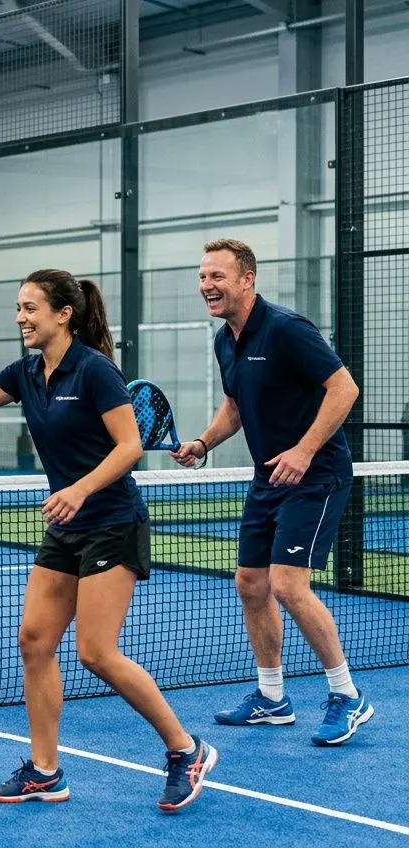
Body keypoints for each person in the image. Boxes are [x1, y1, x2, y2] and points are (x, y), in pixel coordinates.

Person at [0, 269, 216, 811]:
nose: (21, 317)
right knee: (34, 642)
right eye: (18, 307)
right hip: (66, 527)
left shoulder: (96, 371)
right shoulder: (28, 373)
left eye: (31, 308)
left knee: (96, 652)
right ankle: (44, 771)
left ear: (64, 314)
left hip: (111, 520)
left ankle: (186, 749)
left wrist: (79, 490)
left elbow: (129, 446)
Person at [171, 239, 371, 746]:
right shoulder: (225, 340)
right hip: (269, 476)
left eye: (217, 276)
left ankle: (347, 695)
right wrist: (203, 442)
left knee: (287, 584)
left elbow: (344, 388)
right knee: (250, 584)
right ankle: (272, 697)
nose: (207, 286)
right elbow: (235, 407)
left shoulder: (287, 329)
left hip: (316, 473)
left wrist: (304, 450)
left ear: (247, 279)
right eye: (202, 277)